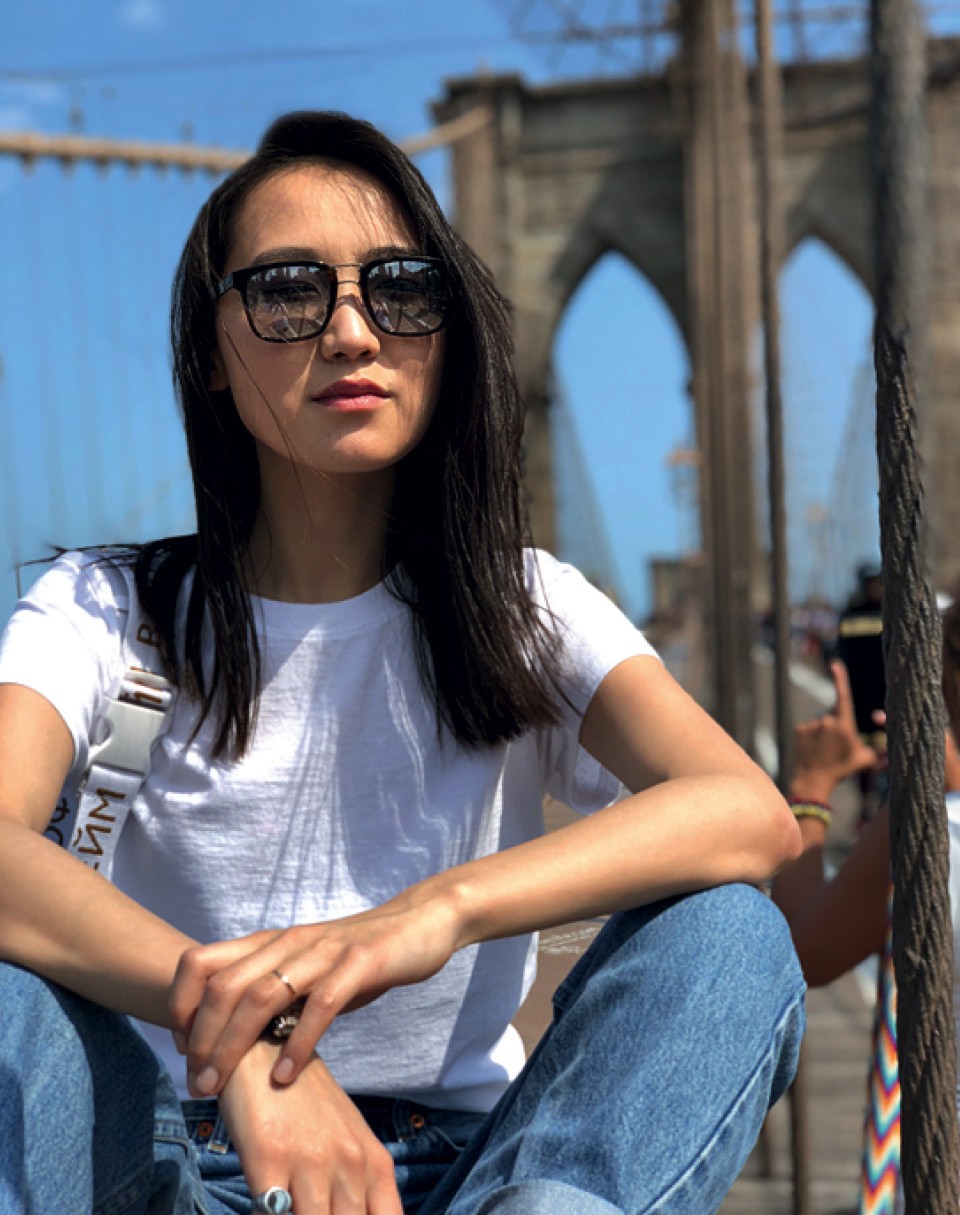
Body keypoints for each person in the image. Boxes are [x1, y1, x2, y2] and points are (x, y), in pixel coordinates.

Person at [0, 110, 804, 1215]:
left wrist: (434, 913)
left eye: (402, 288)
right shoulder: (106, 609)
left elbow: (748, 813)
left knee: (729, 936)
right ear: (209, 353)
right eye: (288, 291)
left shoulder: (520, 607)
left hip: (476, 1175)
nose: (351, 332)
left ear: (447, 333)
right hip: (172, 1157)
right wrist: (244, 1036)